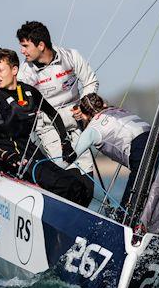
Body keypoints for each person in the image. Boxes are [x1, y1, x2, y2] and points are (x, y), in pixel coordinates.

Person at [0, 48, 91, 207]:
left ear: (14, 70)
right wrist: (5, 155)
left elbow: (54, 115)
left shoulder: (29, 91)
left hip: (31, 152)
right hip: (11, 159)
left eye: (1, 70)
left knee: (79, 187)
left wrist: (64, 143)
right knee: (63, 186)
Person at [16, 22, 98, 188]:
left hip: (76, 124)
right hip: (49, 128)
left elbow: (91, 81)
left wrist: (84, 107)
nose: (22, 51)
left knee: (88, 182)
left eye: (25, 46)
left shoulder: (70, 56)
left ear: (41, 45)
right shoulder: (25, 73)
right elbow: (24, 104)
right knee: (69, 178)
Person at [73, 93, 150, 209]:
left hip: (140, 148)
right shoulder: (118, 110)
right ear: (103, 104)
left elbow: (70, 157)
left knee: (127, 209)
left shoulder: (92, 129)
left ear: (84, 116)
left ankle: (125, 220)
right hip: (157, 140)